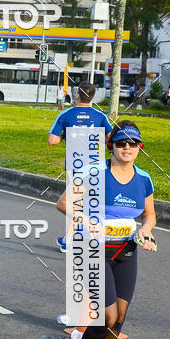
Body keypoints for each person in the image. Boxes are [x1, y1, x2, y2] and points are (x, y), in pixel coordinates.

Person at [57, 120, 156, 339]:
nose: (127, 147)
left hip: (126, 251)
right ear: (111, 145)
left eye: (133, 143)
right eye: (121, 142)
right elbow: (64, 203)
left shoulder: (144, 178)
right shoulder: (93, 172)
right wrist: (86, 222)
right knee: (107, 317)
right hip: (94, 250)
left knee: (120, 317)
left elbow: (149, 215)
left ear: (139, 147)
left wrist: (146, 231)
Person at [48, 81, 113, 252]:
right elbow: (110, 138)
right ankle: (74, 238)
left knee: (72, 204)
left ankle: (71, 240)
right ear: (92, 97)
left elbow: (52, 141)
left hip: (75, 166)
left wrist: (67, 135)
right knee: (88, 203)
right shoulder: (101, 117)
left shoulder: (66, 114)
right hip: (96, 166)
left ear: (77, 95)